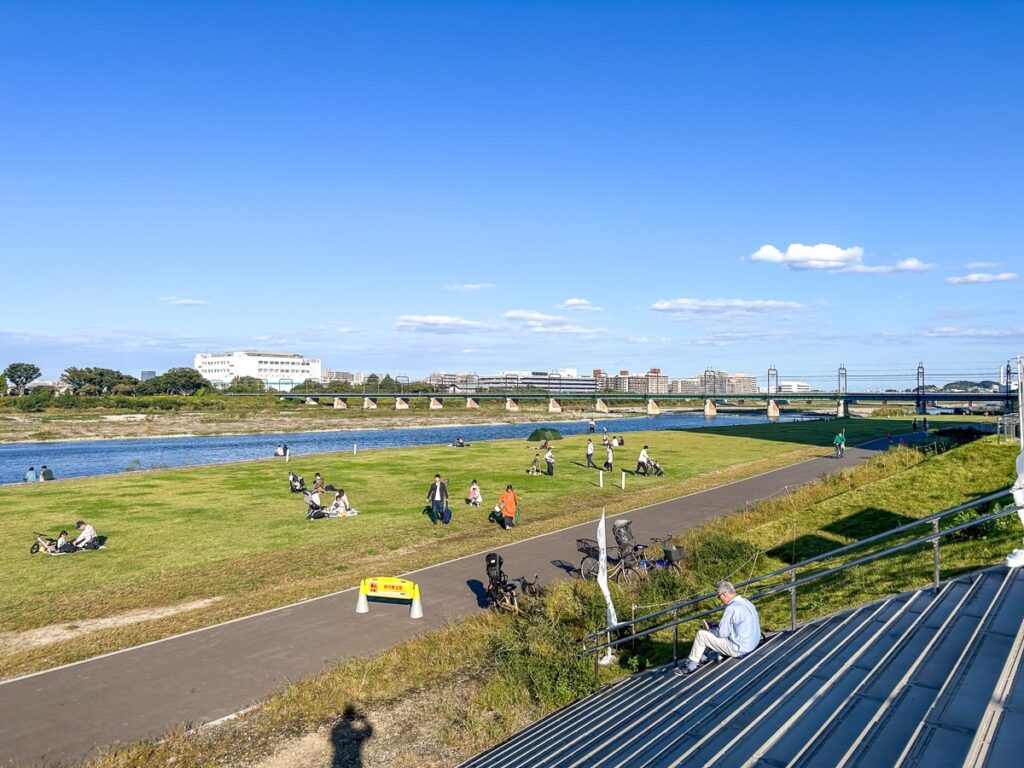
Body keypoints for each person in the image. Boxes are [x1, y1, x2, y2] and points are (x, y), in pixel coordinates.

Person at [680, 581, 761, 675]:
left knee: (701, 635)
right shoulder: (747, 602)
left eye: (719, 597)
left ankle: (691, 666)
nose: (720, 600)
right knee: (714, 630)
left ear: (724, 594)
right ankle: (702, 657)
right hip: (753, 643)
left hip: (740, 649)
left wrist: (710, 630)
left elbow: (722, 633)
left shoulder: (731, 608)